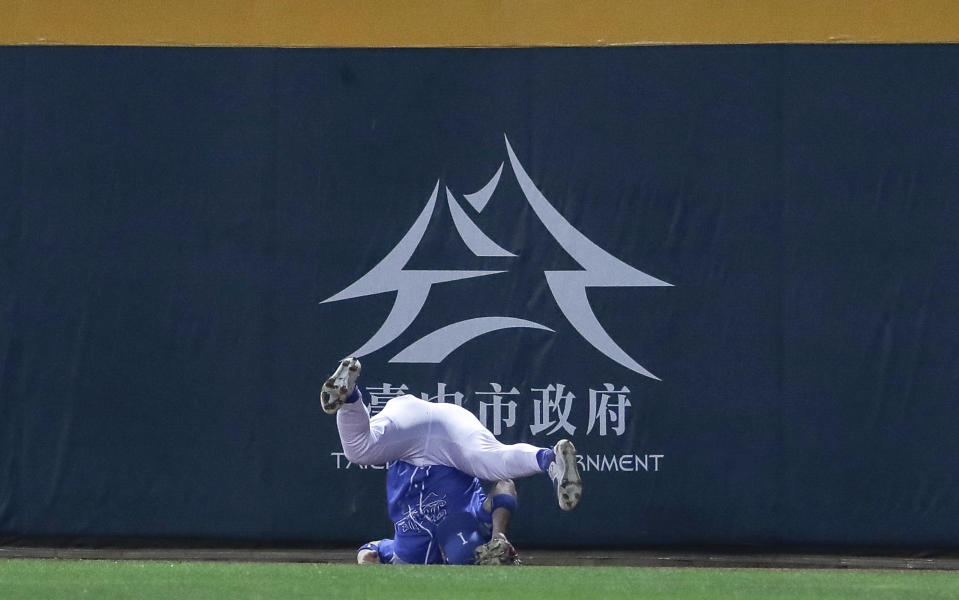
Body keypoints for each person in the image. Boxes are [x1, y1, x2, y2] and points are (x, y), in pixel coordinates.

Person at [320, 357, 583, 565]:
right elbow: (505, 484)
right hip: (440, 431)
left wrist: (366, 562)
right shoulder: (476, 527)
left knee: (359, 450)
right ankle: (548, 458)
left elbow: (370, 551)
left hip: (414, 429)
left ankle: (351, 398)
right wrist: (497, 536)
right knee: (492, 460)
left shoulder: (404, 553)